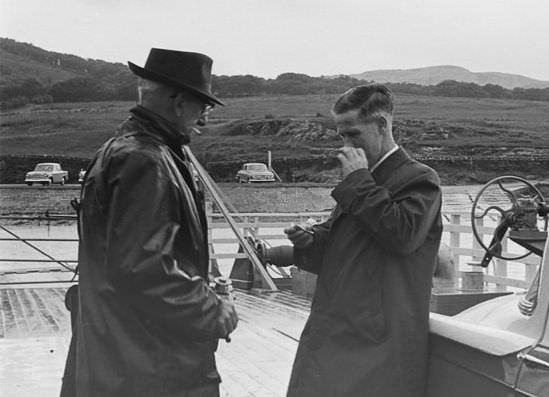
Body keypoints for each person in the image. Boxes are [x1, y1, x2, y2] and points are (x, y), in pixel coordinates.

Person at [60, 48, 238, 397]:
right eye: (202, 106)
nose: (203, 119)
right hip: (149, 365)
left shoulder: (122, 150)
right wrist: (215, 311)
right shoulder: (147, 161)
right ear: (178, 102)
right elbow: (144, 269)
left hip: (121, 356)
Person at [281, 84, 443, 396]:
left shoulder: (421, 180)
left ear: (382, 125)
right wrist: (310, 241)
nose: (345, 145)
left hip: (378, 344)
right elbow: (344, 248)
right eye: (341, 135)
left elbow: (402, 236)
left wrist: (357, 180)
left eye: (353, 134)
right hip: (339, 331)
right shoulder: (363, 179)